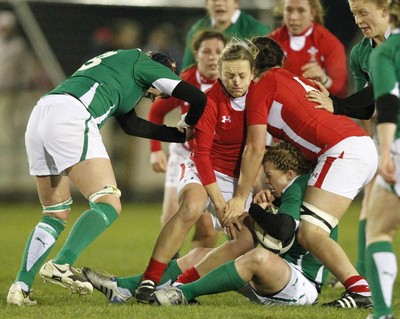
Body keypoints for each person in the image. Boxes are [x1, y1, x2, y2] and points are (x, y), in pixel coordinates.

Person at [6, 49, 207, 306]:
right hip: (72, 116)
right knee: (108, 202)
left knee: (55, 213)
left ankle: (20, 287)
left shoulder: (122, 66)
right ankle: (61, 263)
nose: (154, 97)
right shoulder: (146, 64)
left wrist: (179, 136)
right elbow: (196, 97)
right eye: (159, 93)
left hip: (42, 113)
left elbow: (131, 125)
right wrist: (189, 123)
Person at [223, 36, 378, 309]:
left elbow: (256, 147)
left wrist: (240, 196)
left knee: (310, 231)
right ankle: (353, 288)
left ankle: (359, 291)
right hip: (351, 148)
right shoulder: (289, 80)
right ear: (281, 61)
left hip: (342, 150)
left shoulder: (263, 84)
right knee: (314, 226)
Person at [134, 38, 259, 304]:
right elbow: (201, 154)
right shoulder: (209, 100)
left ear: (253, 74)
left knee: (246, 240)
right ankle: (149, 280)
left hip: (240, 179)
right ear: (220, 74)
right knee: (191, 207)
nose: (236, 81)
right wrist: (222, 204)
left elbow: (259, 150)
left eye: (241, 76)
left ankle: (182, 284)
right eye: (229, 76)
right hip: (205, 169)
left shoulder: (261, 96)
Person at [153, 142, 338, 306]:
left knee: (258, 257)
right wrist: (267, 206)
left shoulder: (296, 186)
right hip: (279, 277)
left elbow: (282, 230)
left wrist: (256, 210)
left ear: (289, 174)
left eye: (269, 175)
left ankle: (181, 292)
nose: (266, 181)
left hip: (301, 285)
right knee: (202, 255)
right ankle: (132, 285)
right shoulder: (299, 190)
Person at [306, 0, 391, 288]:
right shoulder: (360, 52)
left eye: (363, 12)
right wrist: (373, 146)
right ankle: (364, 278)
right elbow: (366, 106)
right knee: (373, 206)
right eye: (354, 13)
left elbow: (379, 88)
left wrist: (336, 104)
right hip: (391, 136)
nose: (357, 20)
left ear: (385, 10)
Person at [148, 30, 227, 250]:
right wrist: (155, 149)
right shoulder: (185, 81)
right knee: (171, 214)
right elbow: (156, 111)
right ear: (196, 54)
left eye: (218, 52)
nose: (212, 57)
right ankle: (164, 273)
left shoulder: (232, 82)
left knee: (207, 229)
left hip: (215, 157)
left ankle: (188, 278)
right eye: (207, 52)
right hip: (184, 153)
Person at [365, 1, 400, 318]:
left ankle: (383, 313)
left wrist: (385, 152)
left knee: (378, 230)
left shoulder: (385, 52)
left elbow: (388, 104)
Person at [269, 0, 348, 97]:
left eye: (301, 10)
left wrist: (324, 80)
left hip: (315, 106)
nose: (293, 17)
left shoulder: (330, 44)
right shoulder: (270, 43)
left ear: (312, 13)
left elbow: (341, 92)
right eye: (289, 10)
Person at [181, 0, 271, 70]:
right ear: (207, 3)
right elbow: (188, 70)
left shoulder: (259, 31)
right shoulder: (197, 30)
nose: (219, 3)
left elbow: (267, 71)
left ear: (236, 2)